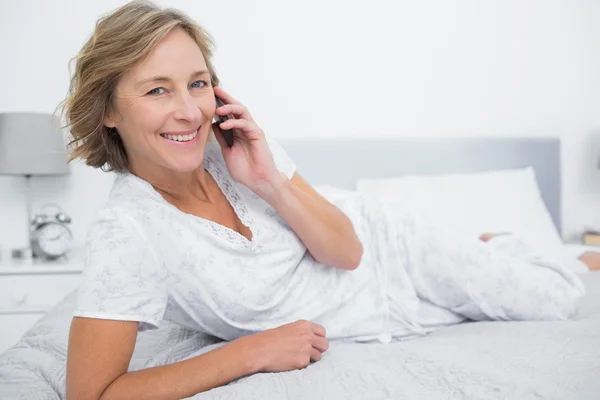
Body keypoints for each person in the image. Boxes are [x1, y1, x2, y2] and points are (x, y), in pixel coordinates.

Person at [62, 1, 586, 399]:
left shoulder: (240, 147)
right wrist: (249, 354)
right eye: (157, 91)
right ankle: (490, 248)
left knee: (558, 300)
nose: (190, 112)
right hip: (378, 318)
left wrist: (268, 181)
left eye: (198, 84)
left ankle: (517, 246)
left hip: (394, 248)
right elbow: (94, 393)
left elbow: (349, 253)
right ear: (108, 110)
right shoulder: (127, 231)